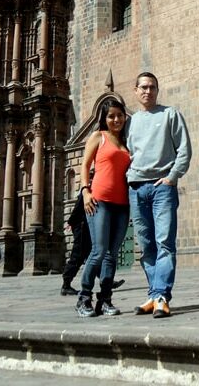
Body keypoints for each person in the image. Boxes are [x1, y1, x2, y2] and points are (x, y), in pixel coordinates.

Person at [127, 72, 192, 319]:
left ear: (157, 90)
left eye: (152, 87)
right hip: (137, 187)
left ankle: (162, 295)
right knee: (146, 245)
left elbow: (184, 148)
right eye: (143, 87)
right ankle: (154, 295)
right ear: (136, 90)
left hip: (162, 186)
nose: (147, 91)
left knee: (164, 242)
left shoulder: (169, 114)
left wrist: (172, 176)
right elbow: (127, 153)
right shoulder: (130, 122)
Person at [76, 99, 131, 317]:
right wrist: (85, 191)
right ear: (104, 118)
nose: (116, 119)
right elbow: (84, 165)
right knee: (98, 251)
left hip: (122, 204)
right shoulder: (98, 137)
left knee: (112, 254)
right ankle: (83, 298)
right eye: (111, 116)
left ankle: (105, 300)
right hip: (99, 200)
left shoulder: (126, 141)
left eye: (119, 115)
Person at [61, 192, 125, 296]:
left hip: (87, 227)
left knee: (93, 255)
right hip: (82, 226)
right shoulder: (87, 190)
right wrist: (71, 221)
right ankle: (66, 285)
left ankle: (106, 280)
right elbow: (79, 205)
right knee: (77, 256)